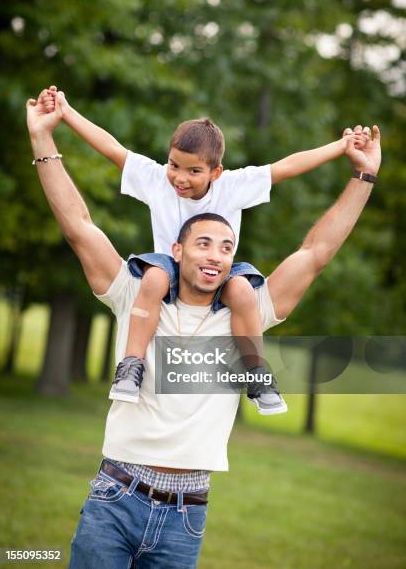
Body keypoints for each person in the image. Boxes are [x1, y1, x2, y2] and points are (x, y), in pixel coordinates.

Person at [27, 88, 381, 569]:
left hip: (185, 517)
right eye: (203, 242)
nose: (215, 254)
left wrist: (363, 173)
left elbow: (315, 253)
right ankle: (128, 370)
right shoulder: (138, 293)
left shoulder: (246, 310)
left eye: (226, 246)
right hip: (114, 498)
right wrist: (44, 137)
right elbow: (79, 226)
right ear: (176, 249)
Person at [42, 86, 368, 416]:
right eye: (174, 165)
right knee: (153, 278)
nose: (179, 178)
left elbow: (285, 167)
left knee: (241, 289)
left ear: (215, 172)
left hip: (219, 273)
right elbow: (112, 148)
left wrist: (340, 147)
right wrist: (67, 113)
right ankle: (130, 367)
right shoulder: (157, 180)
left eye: (193, 171)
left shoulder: (233, 187)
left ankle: (256, 373)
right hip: (170, 269)